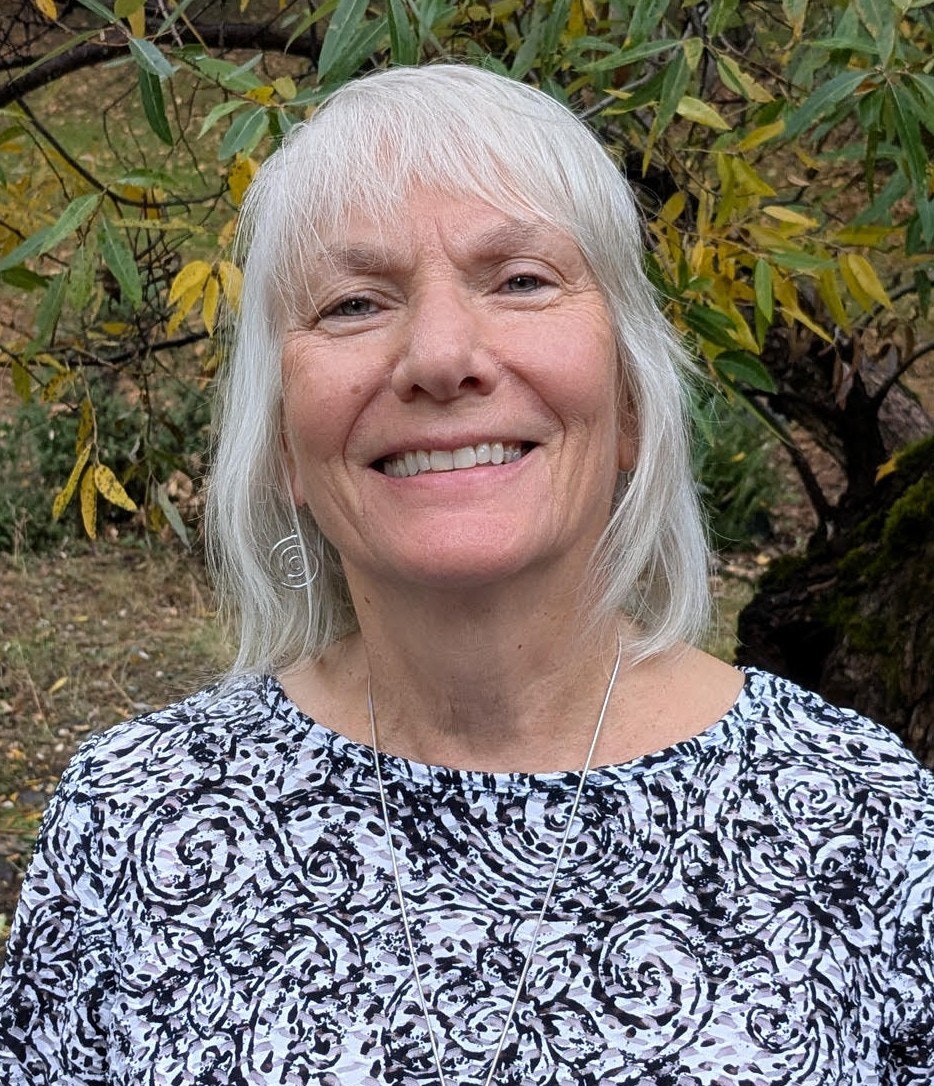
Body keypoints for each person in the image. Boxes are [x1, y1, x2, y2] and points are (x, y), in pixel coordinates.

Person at [1, 63, 932, 1086]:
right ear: (279, 439)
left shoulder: (860, 821)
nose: (441, 355)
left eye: (521, 280)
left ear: (628, 395)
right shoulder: (136, 826)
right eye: (353, 303)